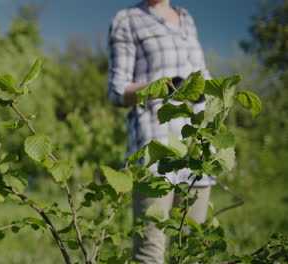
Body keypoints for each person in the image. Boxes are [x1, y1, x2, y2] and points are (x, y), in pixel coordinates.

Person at [107, 0, 215, 263]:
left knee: (192, 252)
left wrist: (211, 95)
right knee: (149, 253)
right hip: (154, 149)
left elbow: (204, 74)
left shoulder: (186, 18)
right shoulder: (127, 19)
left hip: (195, 149)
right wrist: (163, 87)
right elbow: (116, 91)